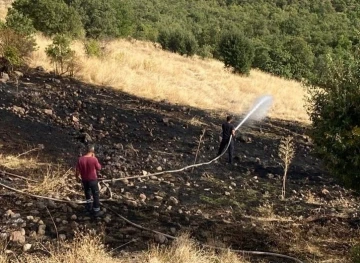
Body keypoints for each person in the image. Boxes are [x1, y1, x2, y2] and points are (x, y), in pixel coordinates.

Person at [75, 144, 102, 216]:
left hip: (84, 180)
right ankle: (96, 210)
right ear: (92, 151)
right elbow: (99, 168)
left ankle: (89, 207)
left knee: (87, 193)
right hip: (93, 180)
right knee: (95, 194)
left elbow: (77, 170)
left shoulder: (80, 159)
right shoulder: (94, 159)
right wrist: (95, 158)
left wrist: (77, 177)